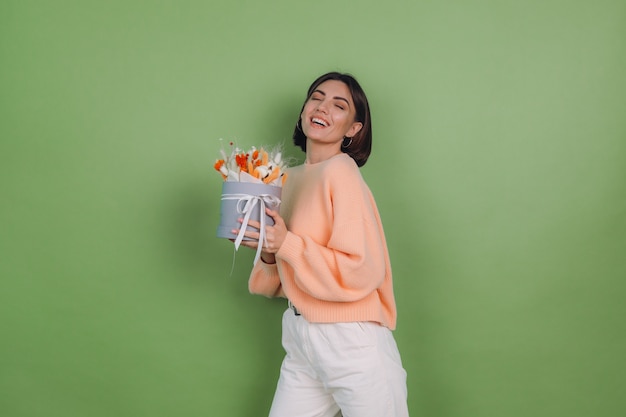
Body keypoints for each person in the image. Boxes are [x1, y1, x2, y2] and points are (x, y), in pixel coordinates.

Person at [234, 72, 409, 417]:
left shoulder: (341, 171)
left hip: (350, 341)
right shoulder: (287, 180)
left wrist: (287, 244)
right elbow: (286, 279)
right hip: (302, 339)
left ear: (353, 129)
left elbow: (362, 269)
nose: (323, 107)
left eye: (339, 105)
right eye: (317, 97)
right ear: (304, 111)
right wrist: (268, 247)